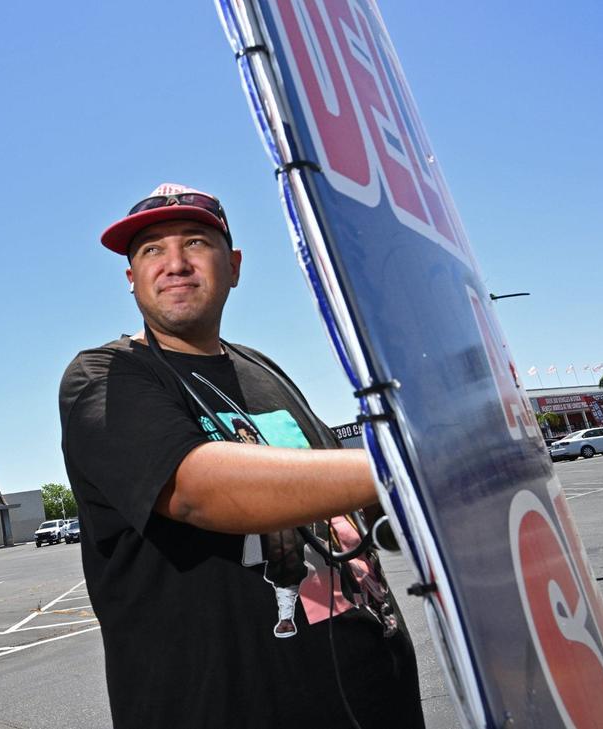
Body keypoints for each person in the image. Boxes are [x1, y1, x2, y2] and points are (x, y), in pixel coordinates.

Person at [58, 183, 423, 728]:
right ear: (131, 279)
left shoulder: (264, 369)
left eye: (196, 243)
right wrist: (404, 467)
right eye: (151, 250)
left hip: (374, 695)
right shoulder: (106, 376)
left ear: (233, 266)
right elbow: (195, 489)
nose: (175, 264)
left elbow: (344, 500)